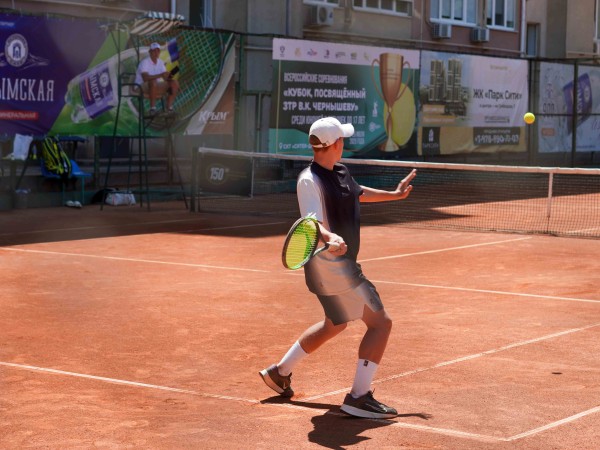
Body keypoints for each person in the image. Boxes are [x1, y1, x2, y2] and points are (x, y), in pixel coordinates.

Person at [260, 116, 417, 419]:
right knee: (380, 323)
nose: (345, 142)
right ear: (335, 144)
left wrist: (394, 195)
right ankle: (359, 397)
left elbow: (358, 192)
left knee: (335, 323)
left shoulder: (341, 171)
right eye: (342, 139)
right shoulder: (309, 179)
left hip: (338, 265)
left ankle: (280, 372)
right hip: (332, 267)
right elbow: (312, 221)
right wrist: (330, 237)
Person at [134, 42, 179, 114]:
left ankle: (169, 109)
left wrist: (170, 79)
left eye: (158, 51)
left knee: (174, 83)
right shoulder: (144, 62)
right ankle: (152, 109)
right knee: (153, 82)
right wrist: (160, 75)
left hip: (154, 86)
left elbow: (165, 78)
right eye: (154, 51)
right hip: (140, 86)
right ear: (150, 52)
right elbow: (145, 78)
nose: (156, 53)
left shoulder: (160, 62)